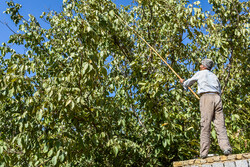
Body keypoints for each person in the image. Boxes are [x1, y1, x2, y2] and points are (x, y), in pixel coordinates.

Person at [180, 59, 232, 159]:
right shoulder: (214, 76)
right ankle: (226, 148)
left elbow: (188, 83)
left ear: (204, 66)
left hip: (206, 97)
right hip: (217, 98)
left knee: (205, 124)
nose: (200, 65)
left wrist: (183, 82)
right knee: (220, 124)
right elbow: (219, 90)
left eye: (201, 64)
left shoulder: (200, 73)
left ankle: (204, 152)